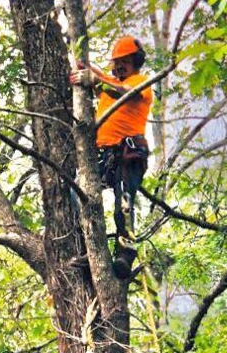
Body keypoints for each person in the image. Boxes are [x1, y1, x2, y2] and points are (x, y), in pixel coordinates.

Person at [69, 36, 152, 279]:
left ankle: (125, 255)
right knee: (79, 193)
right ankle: (92, 250)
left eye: (123, 62)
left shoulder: (140, 83)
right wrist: (82, 63)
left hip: (128, 153)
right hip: (103, 154)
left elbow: (125, 93)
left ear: (134, 62)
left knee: (123, 204)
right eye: (115, 64)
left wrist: (98, 81)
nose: (117, 68)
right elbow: (97, 77)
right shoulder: (110, 83)